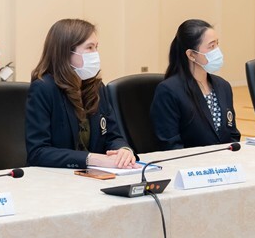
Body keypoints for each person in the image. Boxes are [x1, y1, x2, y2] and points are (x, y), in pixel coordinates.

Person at [25, 18, 136, 169]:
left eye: (96, 47)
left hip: (96, 175)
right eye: (89, 47)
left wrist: (123, 150)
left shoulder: (97, 87)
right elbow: (38, 152)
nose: (96, 54)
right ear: (66, 52)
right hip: (57, 176)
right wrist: (91, 159)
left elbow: (113, 135)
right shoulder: (43, 88)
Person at [150, 19, 241, 150]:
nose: (217, 51)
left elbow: (232, 134)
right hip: (189, 161)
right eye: (211, 46)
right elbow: (170, 144)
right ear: (191, 54)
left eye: (217, 44)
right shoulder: (169, 90)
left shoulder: (223, 86)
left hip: (224, 159)